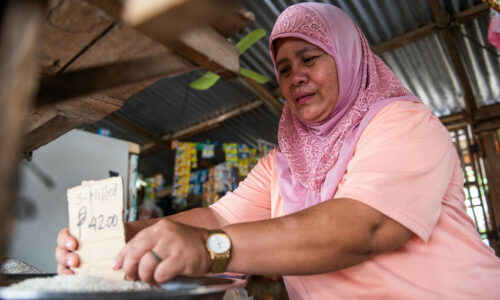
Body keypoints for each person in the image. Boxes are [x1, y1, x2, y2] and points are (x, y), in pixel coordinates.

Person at [56, 3, 500, 299]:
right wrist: (119, 239)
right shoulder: (284, 164)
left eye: (310, 59)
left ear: (348, 58)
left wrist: (208, 249)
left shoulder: (402, 123)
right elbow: (217, 218)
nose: (295, 78)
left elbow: (364, 227)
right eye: (284, 69)